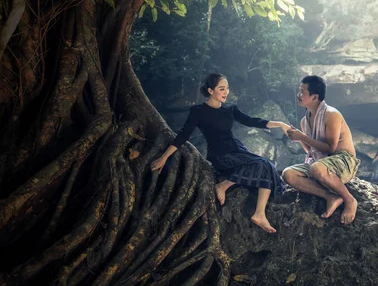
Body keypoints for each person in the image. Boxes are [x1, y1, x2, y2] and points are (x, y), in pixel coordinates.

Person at [151, 73, 290, 233]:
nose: (226, 92)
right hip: (220, 155)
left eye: (227, 88)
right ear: (211, 91)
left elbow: (252, 121)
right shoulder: (198, 111)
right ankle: (223, 186)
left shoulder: (230, 109)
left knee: (268, 166)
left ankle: (259, 214)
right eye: (221, 89)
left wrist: (280, 124)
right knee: (261, 164)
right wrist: (163, 158)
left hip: (237, 151)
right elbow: (183, 135)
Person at [282, 75, 360, 225]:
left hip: (343, 160)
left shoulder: (331, 114)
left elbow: (331, 148)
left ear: (314, 96)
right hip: (320, 163)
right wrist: (299, 137)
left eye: (302, 92)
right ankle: (330, 196)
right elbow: (309, 150)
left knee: (316, 168)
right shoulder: (305, 120)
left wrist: (303, 137)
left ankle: (350, 200)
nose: (298, 95)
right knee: (288, 174)